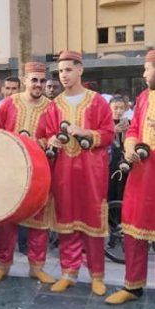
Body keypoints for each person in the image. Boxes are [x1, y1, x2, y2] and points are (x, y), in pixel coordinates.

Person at [43, 51, 114, 295]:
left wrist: (85, 133)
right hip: (64, 172)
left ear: (80, 70)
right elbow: (47, 133)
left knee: (92, 223)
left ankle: (97, 276)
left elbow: (109, 134)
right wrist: (51, 140)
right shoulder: (55, 105)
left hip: (92, 172)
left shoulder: (97, 101)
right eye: (60, 71)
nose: (63, 75)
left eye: (68, 70)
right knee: (66, 223)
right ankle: (68, 273)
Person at [0, 62, 56, 285]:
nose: (38, 84)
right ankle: (3, 265)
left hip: (39, 172)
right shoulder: (9, 103)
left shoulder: (51, 107)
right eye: (34, 80)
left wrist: (38, 142)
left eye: (42, 81)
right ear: (25, 80)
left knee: (39, 220)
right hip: (10, 171)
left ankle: (36, 267)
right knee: (6, 220)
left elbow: (54, 136)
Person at [106, 50, 155, 305]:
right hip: (141, 174)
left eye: (147, 68)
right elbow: (134, 127)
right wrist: (129, 147)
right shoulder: (144, 97)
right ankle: (133, 287)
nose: (144, 73)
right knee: (134, 232)